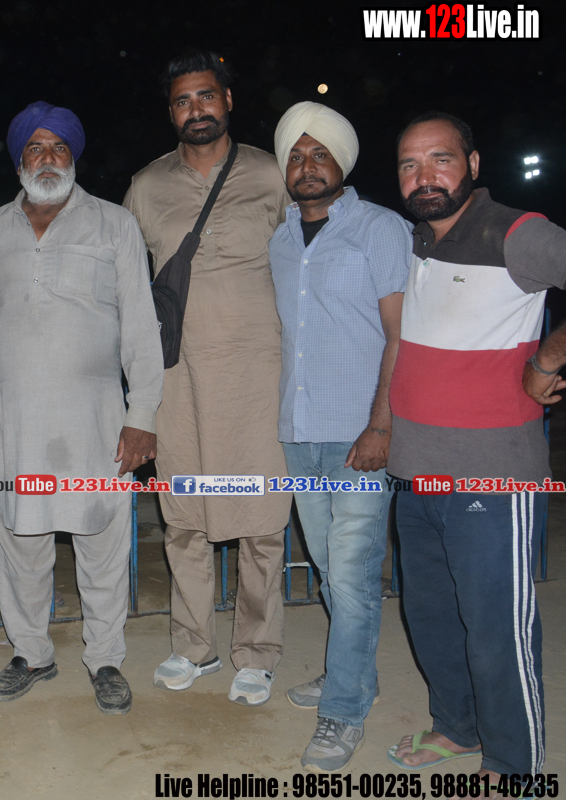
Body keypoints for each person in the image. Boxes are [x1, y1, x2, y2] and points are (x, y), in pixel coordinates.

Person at [385, 111, 561, 783]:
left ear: (474, 165)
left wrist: (548, 359)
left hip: (492, 477)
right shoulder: (414, 241)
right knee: (432, 618)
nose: (423, 176)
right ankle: (456, 728)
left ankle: (515, 769)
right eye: (409, 164)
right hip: (416, 475)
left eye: (440, 159)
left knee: (496, 631)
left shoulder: (515, 233)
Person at [0, 101, 162, 715]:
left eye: (59, 148)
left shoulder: (114, 224)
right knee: (20, 542)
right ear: (19, 161)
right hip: (14, 420)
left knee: (101, 541)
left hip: (95, 419)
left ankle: (105, 659)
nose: (47, 158)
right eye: (35, 148)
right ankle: (31, 653)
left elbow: (142, 326)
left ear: (73, 157)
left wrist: (143, 417)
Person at [124, 49, 291, 706]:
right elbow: (118, 275)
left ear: (227, 100)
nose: (195, 109)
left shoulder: (272, 172)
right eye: (182, 100)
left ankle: (257, 652)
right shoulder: (146, 185)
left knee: (262, 520)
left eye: (206, 96)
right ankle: (194, 645)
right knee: (185, 516)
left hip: (259, 375)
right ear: (170, 112)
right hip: (180, 378)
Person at [269, 102, 411, 772]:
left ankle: (345, 710)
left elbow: (401, 336)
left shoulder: (380, 229)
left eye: (319, 153)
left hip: (360, 434)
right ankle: (353, 673)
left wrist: (382, 424)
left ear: (342, 163)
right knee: (330, 568)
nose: (306, 165)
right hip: (300, 433)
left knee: (352, 577)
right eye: (295, 156)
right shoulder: (279, 240)